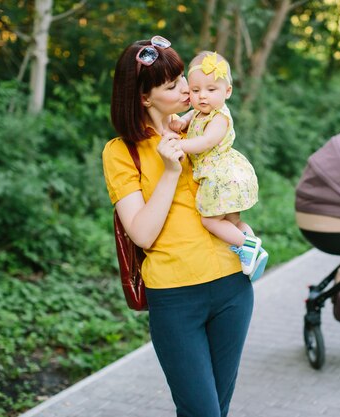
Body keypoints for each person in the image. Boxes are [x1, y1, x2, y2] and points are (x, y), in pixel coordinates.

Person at [102, 36, 252, 417]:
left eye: (183, 77)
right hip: (175, 298)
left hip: (232, 287)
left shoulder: (201, 128)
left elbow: (223, 193)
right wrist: (170, 170)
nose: (188, 88)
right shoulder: (121, 152)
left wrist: (242, 227)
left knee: (218, 409)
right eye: (172, 86)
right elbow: (142, 233)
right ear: (144, 98)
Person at [170, 51, 268, 280]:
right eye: (195, 91)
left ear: (228, 91)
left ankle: (247, 244)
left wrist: (180, 145)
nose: (202, 96)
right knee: (232, 221)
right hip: (222, 176)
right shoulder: (199, 111)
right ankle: (255, 253)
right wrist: (180, 122)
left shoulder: (219, 118)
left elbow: (206, 142)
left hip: (221, 178)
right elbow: (188, 119)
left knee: (210, 221)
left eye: (211, 90)